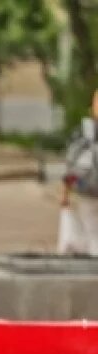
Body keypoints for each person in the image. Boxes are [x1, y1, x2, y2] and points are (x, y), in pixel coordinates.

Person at [61, 89, 98, 256]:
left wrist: (66, 194)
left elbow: (71, 164)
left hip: (85, 189)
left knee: (92, 231)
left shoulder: (83, 133)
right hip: (88, 189)